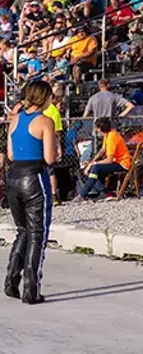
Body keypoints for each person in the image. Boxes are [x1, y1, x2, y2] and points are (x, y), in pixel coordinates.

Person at [6, 79, 58, 304]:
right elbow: (49, 158)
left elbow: (10, 154)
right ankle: (31, 289)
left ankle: (11, 281)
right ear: (44, 97)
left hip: (14, 175)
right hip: (34, 176)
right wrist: (56, 143)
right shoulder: (45, 121)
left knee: (22, 231)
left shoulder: (15, 119)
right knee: (38, 233)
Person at [79, 118, 132, 200]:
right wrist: (91, 162)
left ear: (100, 128)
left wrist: (94, 163)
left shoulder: (111, 137)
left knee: (96, 168)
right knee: (86, 168)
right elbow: (102, 150)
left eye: (96, 128)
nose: (96, 130)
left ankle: (83, 194)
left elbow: (109, 159)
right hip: (115, 162)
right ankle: (106, 192)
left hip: (121, 163)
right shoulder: (108, 134)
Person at [42, 83, 66, 205]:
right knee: (50, 171)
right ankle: (53, 195)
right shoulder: (53, 111)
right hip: (49, 143)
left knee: (48, 171)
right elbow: (57, 132)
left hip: (43, 143)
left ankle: (51, 195)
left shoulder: (43, 109)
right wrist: (58, 147)